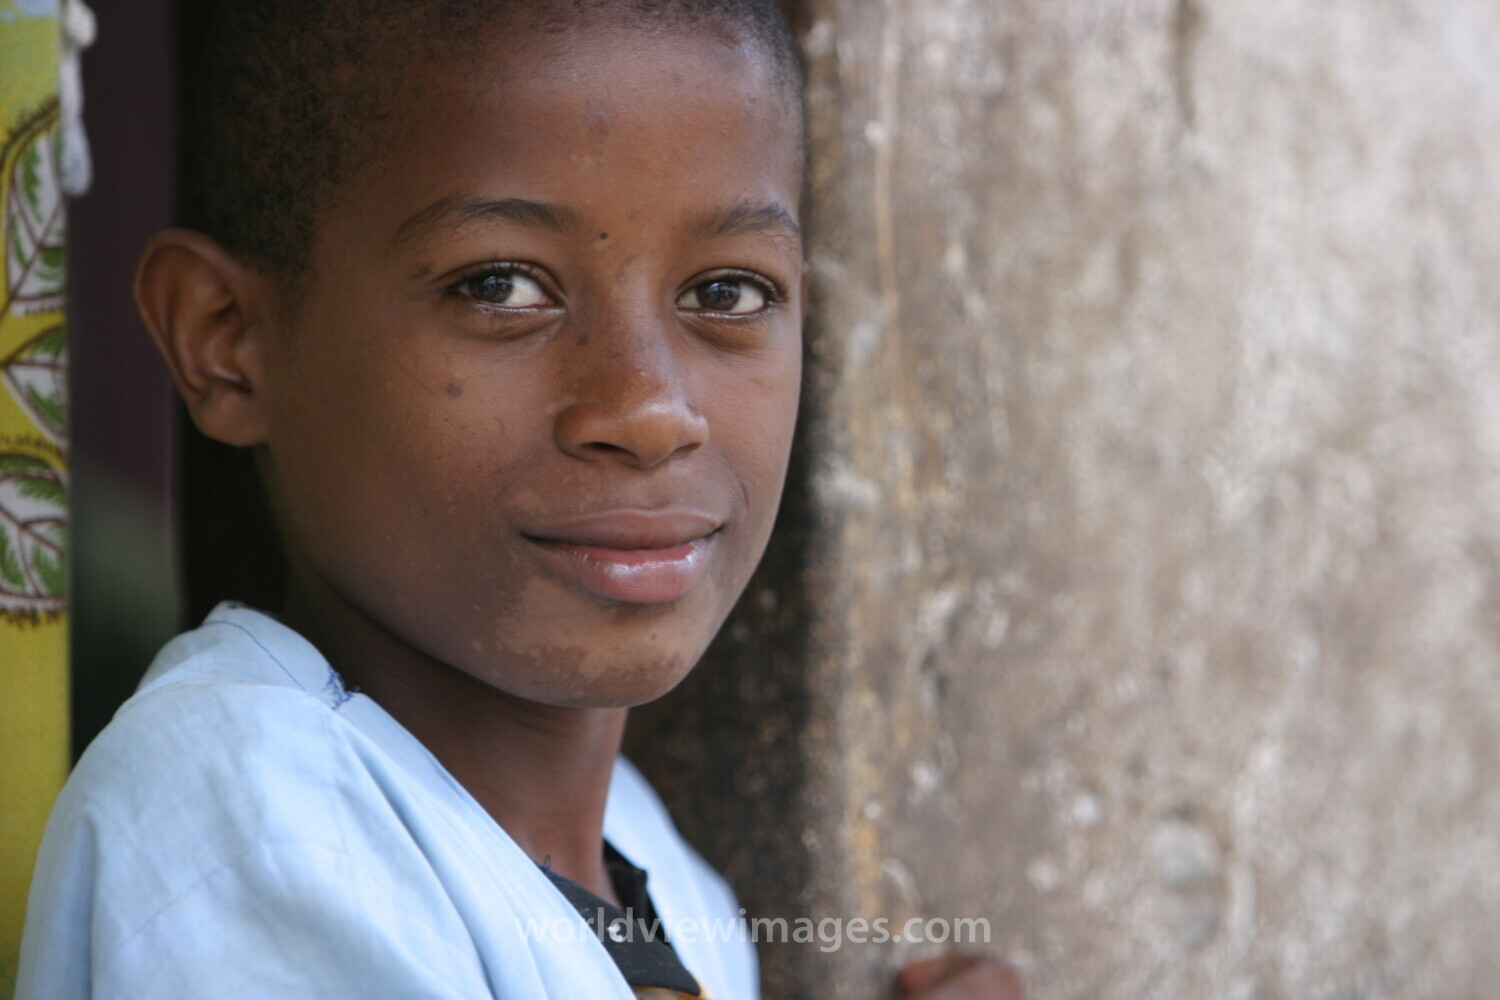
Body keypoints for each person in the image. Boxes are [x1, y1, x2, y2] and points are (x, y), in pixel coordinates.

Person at [17, 1, 1022, 997]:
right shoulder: (255, 819)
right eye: (499, 286)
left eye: (728, 293)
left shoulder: (654, 860)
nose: (648, 410)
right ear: (226, 339)